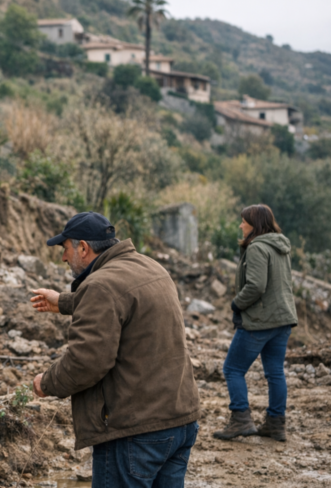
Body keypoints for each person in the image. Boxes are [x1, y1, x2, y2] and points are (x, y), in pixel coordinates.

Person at [30, 212, 200, 488]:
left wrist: (46, 383)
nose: (63, 258)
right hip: (180, 420)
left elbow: (87, 361)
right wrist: (63, 302)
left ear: (83, 248)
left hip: (136, 430)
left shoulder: (101, 285)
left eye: (65, 249)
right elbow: (123, 300)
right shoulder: (150, 267)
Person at [214, 204, 297, 442]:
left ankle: (241, 419)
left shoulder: (257, 248)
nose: (241, 225)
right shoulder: (281, 246)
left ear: (255, 224)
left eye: (244, 221)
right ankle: (275, 424)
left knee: (232, 369)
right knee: (275, 372)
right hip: (283, 319)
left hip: (261, 320)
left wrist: (236, 304)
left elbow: (256, 286)